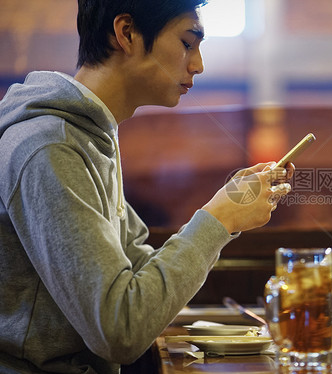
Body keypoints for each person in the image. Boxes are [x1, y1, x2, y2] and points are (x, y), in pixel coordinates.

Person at [0, 1, 292, 373]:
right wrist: (218, 219)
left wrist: (227, 213)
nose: (198, 64)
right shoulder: (51, 146)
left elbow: (138, 273)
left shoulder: (91, 137)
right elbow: (121, 329)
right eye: (188, 42)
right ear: (127, 33)